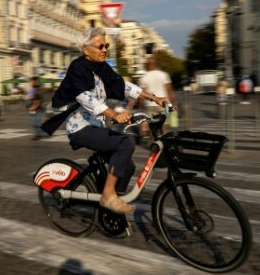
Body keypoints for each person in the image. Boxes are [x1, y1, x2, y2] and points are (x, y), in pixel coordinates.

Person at [41, 27, 168, 214]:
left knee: (127, 166)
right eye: (100, 46)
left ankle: (110, 206)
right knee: (125, 144)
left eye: (106, 45)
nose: (104, 49)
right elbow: (85, 97)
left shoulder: (101, 67)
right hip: (80, 128)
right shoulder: (78, 67)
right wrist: (114, 114)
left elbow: (123, 86)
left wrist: (154, 98)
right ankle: (108, 194)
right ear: (86, 49)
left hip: (95, 125)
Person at [136, 57, 175, 136]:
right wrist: (172, 104)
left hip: (150, 105)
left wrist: (142, 107)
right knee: (163, 126)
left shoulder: (143, 77)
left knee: (152, 127)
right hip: (163, 104)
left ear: (147, 65)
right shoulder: (164, 75)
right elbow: (170, 91)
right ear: (156, 64)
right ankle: (165, 144)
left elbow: (141, 95)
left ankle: (155, 146)